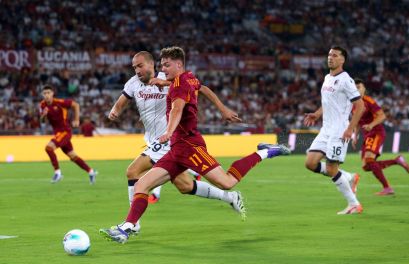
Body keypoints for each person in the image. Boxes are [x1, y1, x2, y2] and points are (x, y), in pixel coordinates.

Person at [99, 46, 290, 243]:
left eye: (166, 65)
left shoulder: (179, 85)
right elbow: (200, 88)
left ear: (179, 64)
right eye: (162, 65)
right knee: (142, 184)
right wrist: (223, 110)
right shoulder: (188, 77)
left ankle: (265, 152)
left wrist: (168, 131)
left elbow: (176, 109)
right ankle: (126, 228)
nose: (163, 69)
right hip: (176, 148)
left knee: (227, 182)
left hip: (190, 146)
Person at [303, 46, 365, 215]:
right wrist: (316, 114)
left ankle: (354, 204)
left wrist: (350, 129)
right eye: (329, 55)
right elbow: (328, 102)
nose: (330, 58)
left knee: (331, 169)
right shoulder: (327, 78)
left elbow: (360, 107)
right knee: (310, 163)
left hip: (339, 130)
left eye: (335, 55)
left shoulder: (346, 80)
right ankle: (349, 177)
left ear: (342, 60)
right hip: (326, 129)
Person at [351, 78, 409, 195]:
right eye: (355, 87)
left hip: (376, 132)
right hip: (367, 135)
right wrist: (355, 136)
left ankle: (387, 188)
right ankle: (396, 161)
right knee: (366, 166)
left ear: (364, 89)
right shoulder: (353, 105)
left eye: (359, 87)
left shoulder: (369, 101)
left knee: (369, 159)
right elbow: (357, 121)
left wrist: (371, 124)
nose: (356, 89)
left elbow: (382, 116)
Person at [39, 85, 97, 184]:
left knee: (49, 148)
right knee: (72, 156)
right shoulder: (42, 105)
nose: (47, 95)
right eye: (44, 93)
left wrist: (77, 119)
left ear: (52, 93)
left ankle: (58, 173)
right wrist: (43, 116)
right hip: (58, 134)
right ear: (42, 95)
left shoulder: (59, 102)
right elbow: (42, 121)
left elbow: (76, 105)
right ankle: (91, 172)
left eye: (48, 92)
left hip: (65, 132)